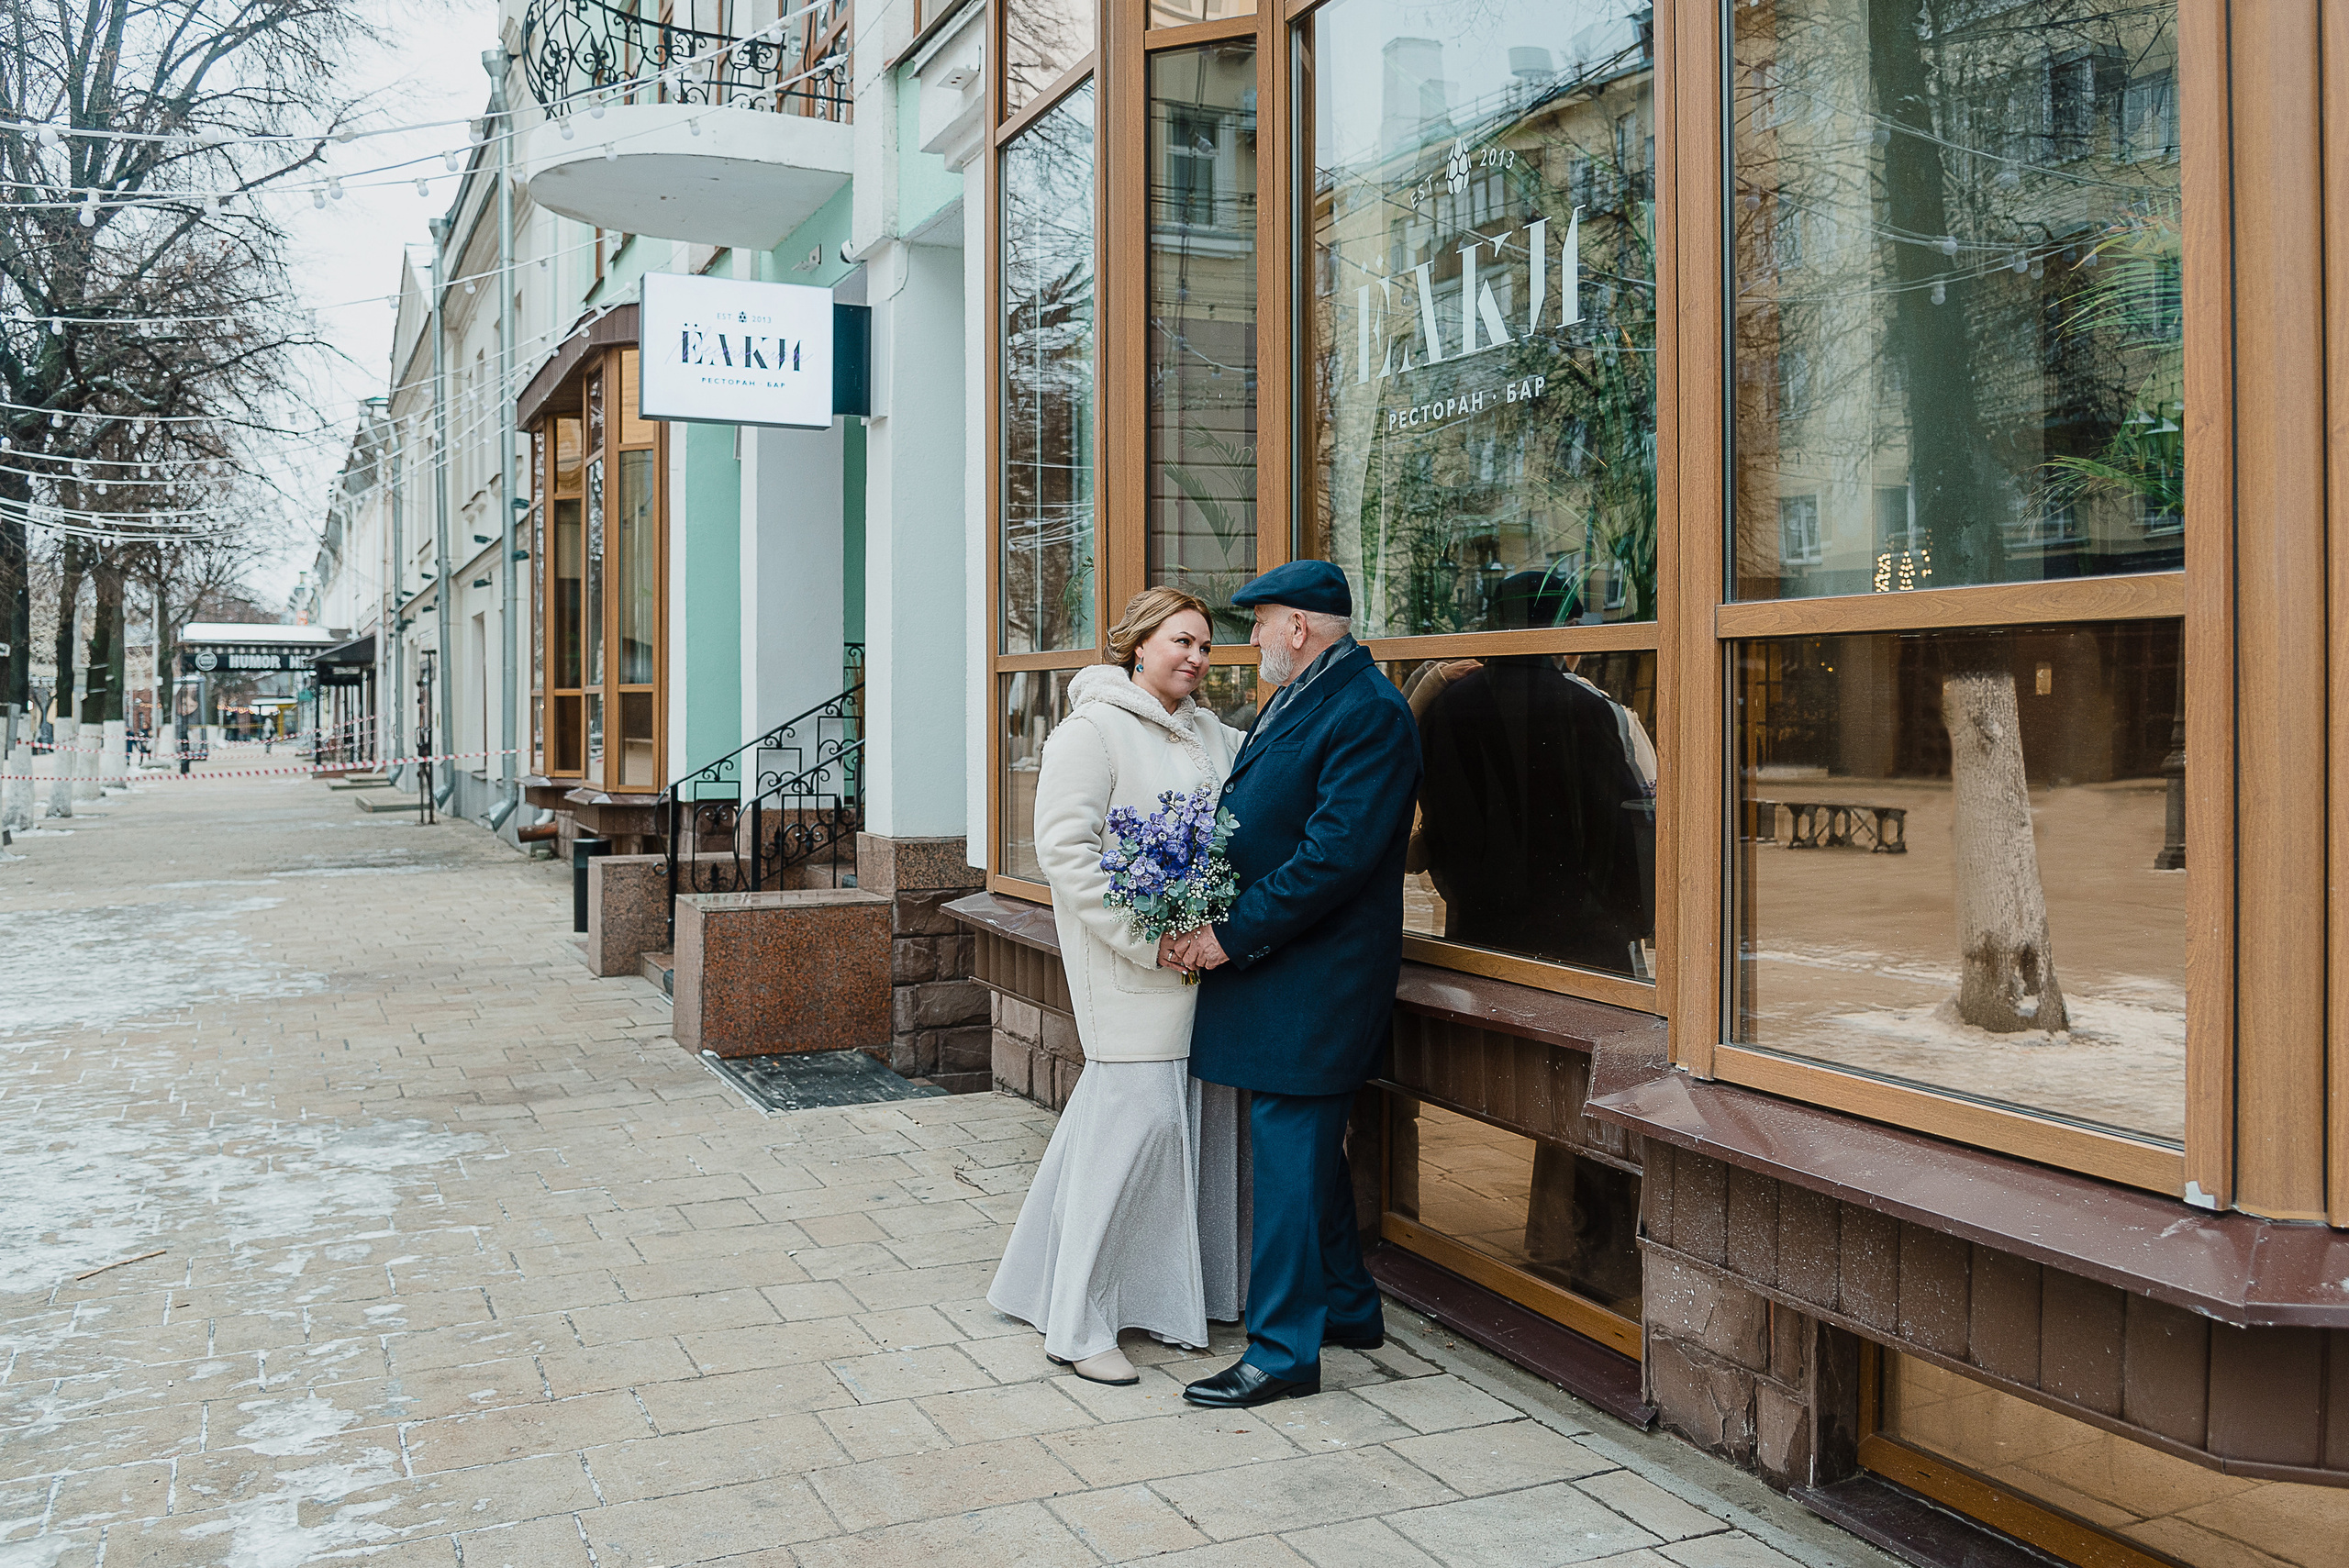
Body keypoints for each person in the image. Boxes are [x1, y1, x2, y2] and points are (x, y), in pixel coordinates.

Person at [1168, 560, 1421, 1408]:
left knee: (1285, 1155)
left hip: (1319, 976)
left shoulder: (1369, 711)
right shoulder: (1313, 689)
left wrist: (1228, 935)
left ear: (1299, 627)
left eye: (1259, 624)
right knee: (1304, 1155)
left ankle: (1282, 1352)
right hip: (1291, 967)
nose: (1251, 642)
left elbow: (1333, 859)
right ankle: (1348, 1306)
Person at [988, 586, 1251, 1386]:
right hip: (1127, 969)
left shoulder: (1211, 732)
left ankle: (1080, 1287)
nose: (1197, 658)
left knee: (1132, 1138)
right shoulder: (1092, 729)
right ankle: (1077, 1324)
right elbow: (1065, 852)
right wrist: (1154, 938)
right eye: (1182, 641)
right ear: (1139, 645)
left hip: (1201, 969)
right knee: (1128, 1136)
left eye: (1206, 646)